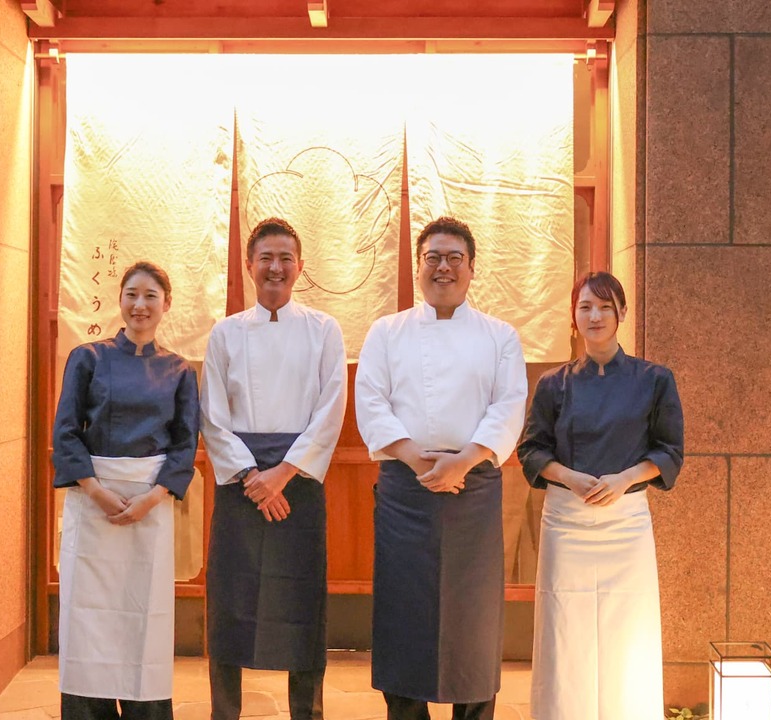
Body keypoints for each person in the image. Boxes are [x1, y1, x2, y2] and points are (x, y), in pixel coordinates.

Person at [355, 216, 527, 720]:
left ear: (472, 269)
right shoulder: (387, 332)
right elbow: (371, 401)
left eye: (454, 258)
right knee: (405, 615)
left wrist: (466, 460)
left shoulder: (500, 336)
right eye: (432, 257)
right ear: (418, 266)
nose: (443, 267)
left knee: (472, 619)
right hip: (405, 489)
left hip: (472, 489)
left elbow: (508, 405)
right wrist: (413, 457)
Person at [517, 271, 684, 720]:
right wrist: (571, 479)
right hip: (565, 521)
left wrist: (624, 478)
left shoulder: (655, 380)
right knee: (564, 629)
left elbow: (669, 452)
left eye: (605, 307)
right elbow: (531, 450)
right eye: (585, 307)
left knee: (627, 632)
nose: (595, 316)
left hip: (625, 521)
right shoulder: (555, 383)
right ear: (573, 317)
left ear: (622, 314)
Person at [200, 217, 347, 720]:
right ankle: (225, 711)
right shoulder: (225, 333)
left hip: (298, 485)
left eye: (286, 258)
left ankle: (308, 712)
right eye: (266, 258)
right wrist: (251, 479)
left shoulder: (325, 329)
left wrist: (281, 475)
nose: (276, 268)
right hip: (241, 485)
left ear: (300, 267)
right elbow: (213, 416)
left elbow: (331, 412)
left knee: (302, 602)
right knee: (229, 603)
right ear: (248, 266)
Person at [51, 261, 201, 720]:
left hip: (147, 508)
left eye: (150, 296)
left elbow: (185, 443)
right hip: (91, 503)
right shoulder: (88, 358)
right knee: (88, 619)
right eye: (132, 294)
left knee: (144, 621)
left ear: (166, 305)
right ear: (120, 301)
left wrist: (151, 499)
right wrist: (95, 491)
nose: (140, 305)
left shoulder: (179, 371)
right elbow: (66, 432)